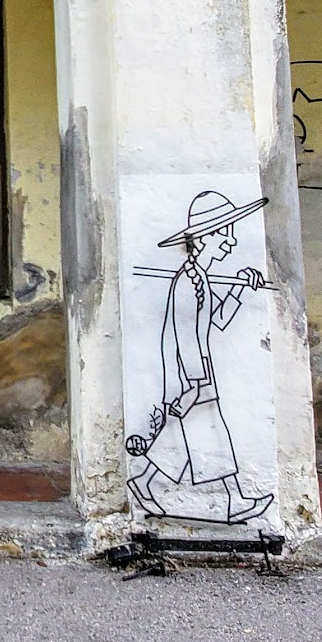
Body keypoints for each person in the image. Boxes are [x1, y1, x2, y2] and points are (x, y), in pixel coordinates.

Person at [127, 190, 276, 523]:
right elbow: (185, 336)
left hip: (195, 372)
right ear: (203, 238)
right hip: (191, 372)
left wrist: (238, 288)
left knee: (185, 437)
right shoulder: (188, 281)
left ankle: (144, 480)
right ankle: (234, 500)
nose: (231, 241)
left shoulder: (200, 278)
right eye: (224, 232)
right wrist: (195, 383)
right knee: (212, 434)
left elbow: (214, 323)